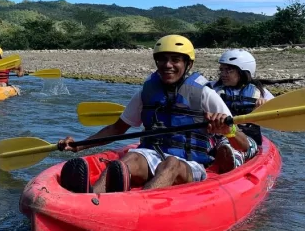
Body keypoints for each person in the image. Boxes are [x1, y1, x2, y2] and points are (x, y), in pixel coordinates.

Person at [58, 35, 241, 194]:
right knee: (128, 160)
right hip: (152, 154)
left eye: (175, 59)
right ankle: (89, 199)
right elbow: (117, 128)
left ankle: (138, 206)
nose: (167, 65)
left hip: (189, 164)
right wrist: (79, 146)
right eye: (162, 59)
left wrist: (228, 129)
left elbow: (242, 143)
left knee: (170, 164)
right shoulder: (146, 93)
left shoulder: (204, 94)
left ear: (188, 64)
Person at [210, 49, 275, 173]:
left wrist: (263, 108)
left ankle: (231, 159)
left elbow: (277, 116)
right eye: (222, 70)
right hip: (217, 135)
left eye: (229, 70)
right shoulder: (212, 88)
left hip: (245, 138)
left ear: (244, 72)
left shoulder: (261, 93)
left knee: (227, 147)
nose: (223, 74)